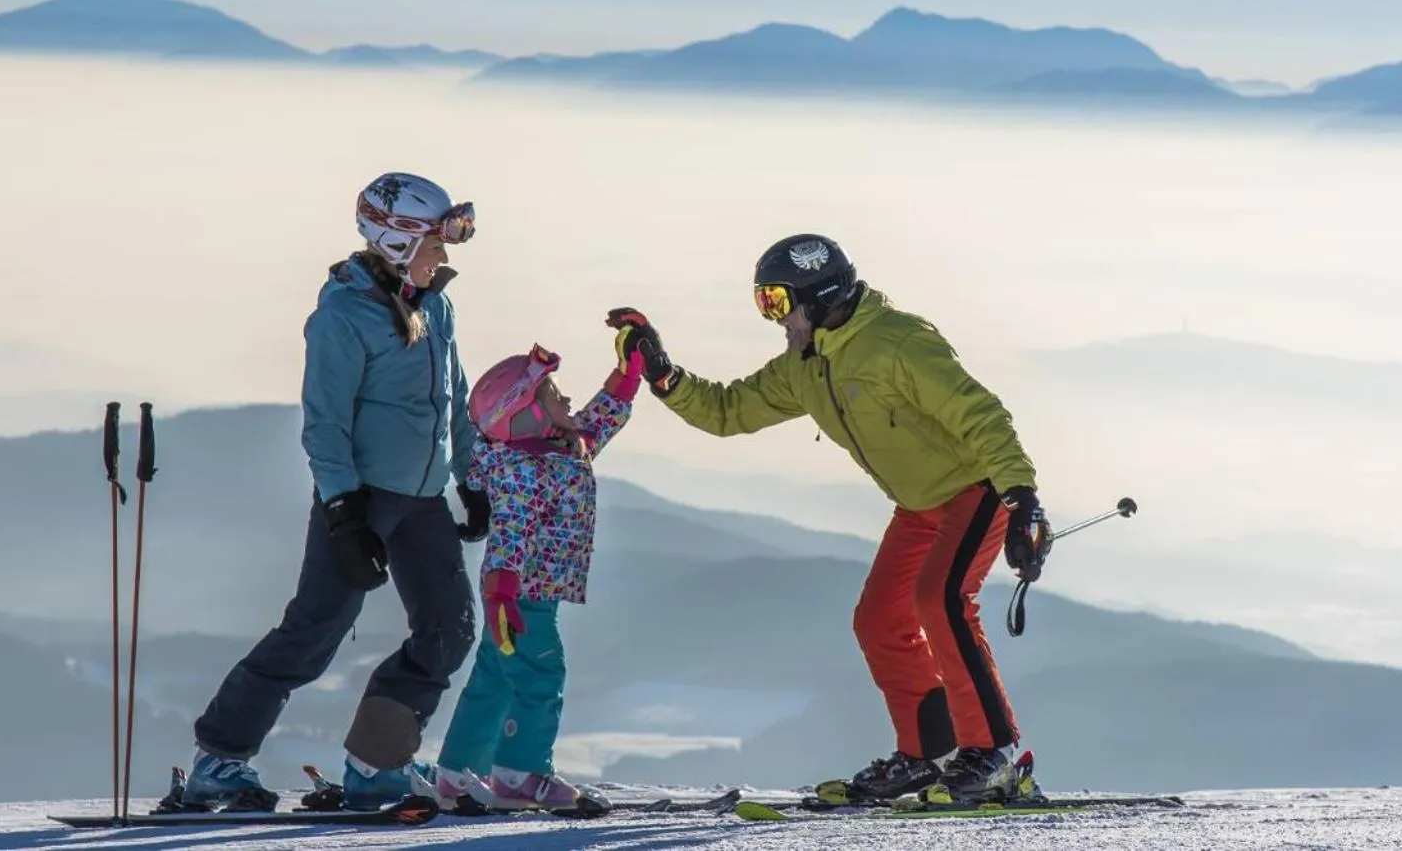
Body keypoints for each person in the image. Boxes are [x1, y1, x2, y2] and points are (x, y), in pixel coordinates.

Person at [606, 233, 1052, 804]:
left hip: (978, 488)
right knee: (878, 620)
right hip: (919, 504)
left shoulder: (899, 343)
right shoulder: (807, 363)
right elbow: (728, 409)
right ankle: (925, 755)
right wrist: (662, 373)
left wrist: (1022, 497)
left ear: (820, 296)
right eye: (764, 303)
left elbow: (980, 413)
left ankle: (992, 755)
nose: (774, 319)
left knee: (939, 601)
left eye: (777, 302)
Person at [182, 172, 491, 813]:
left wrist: (473, 478)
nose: (446, 253)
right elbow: (325, 422)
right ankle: (219, 759)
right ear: (398, 240)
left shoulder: (438, 305)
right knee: (315, 631)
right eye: (438, 240)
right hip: (364, 498)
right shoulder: (343, 316)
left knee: (450, 631)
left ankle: (376, 764)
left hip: (424, 498)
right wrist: (344, 513)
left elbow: (454, 400)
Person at [424, 331, 640, 815]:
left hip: (519, 592)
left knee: (494, 679)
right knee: (541, 673)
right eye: (551, 394)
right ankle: (521, 774)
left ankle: (458, 773)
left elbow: (599, 423)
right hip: (521, 596)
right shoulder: (525, 469)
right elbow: (511, 534)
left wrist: (628, 375)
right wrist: (503, 594)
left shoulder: (558, 448)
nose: (565, 398)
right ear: (527, 415)